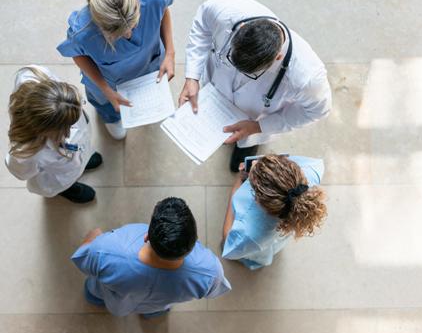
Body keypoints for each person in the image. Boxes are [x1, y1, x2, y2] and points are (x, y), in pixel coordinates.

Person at [179, 0, 332, 171]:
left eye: (251, 74)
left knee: (245, 148)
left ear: (278, 57)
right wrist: (192, 76)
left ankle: (245, 149)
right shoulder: (228, 10)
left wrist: (258, 126)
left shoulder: (307, 77)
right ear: (241, 28)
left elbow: (317, 111)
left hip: (254, 118)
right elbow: (202, 24)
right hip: (214, 92)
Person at [57, 0, 176, 140]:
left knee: (149, 94)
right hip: (108, 82)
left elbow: (162, 9)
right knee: (105, 104)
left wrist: (170, 53)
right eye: (119, 35)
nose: (129, 34)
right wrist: (106, 89)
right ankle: (111, 118)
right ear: (100, 28)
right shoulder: (83, 33)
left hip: (150, 63)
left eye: (134, 26)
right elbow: (76, 54)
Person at [72, 197, 231, 317]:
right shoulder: (210, 272)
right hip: (157, 305)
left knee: (94, 293)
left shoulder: (105, 251)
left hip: (117, 303)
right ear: (193, 242)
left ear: (147, 236)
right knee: (155, 311)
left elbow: (82, 260)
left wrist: (93, 237)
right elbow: (216, 291)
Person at [5, 65, 102, 203]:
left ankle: (83, 161)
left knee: (81, 154)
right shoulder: (25, 154)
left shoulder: (33, 75)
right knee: (65, 179)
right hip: (59, 176)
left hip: (76, 149)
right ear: (49, 130)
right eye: (69, 126)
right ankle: (68, 189)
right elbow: (23, 173)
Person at [221, 154, 327, 269]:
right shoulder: (312, 170)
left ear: (258, 201)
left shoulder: (250, 234)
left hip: (257, 244)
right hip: (277, 236)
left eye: (253, 184)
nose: (253, 163)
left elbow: (229, 240)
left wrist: (236, 187)